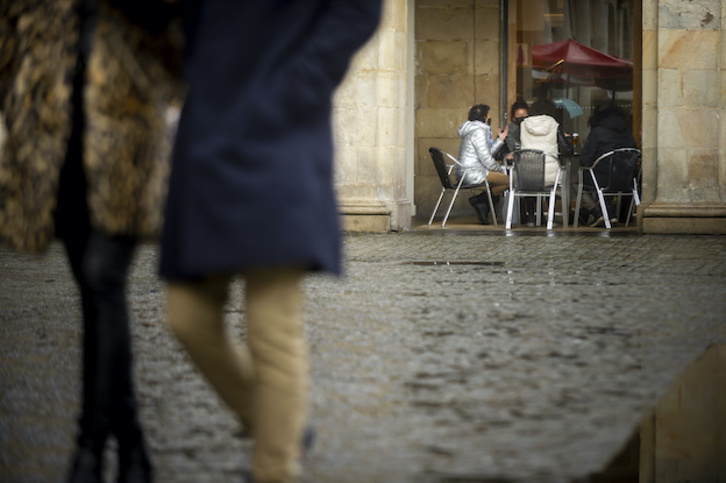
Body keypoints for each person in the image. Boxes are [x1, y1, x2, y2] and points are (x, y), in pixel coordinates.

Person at [158, 2, 382, 482]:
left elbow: (360, 10)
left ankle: (274, 467)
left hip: (278, 136)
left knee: (271, 326)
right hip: (206, 135)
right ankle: (278, 425)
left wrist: (295, 85)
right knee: (186, 316)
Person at [0, 1, 181, 482]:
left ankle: (88, 447)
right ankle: (134, 444)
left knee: (103, 278)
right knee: (97, 296)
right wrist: (23, 101)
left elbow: (180, 47)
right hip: (55, 153)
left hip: (125, 149)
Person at [578, 101, 638, 226]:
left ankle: (598, 212)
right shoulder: (627, 132)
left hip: (602, 179)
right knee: (600, 180)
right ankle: (607, 214)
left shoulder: (598, 132)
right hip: (626, 180)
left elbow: (585, 160)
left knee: (575, 181)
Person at [518, 98, 573, 225]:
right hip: (550, 176)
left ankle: (531, 218)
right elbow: (567, 150)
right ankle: (551, 218)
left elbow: (517, 143)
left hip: (527, 174)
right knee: (550, 183)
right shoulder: (554, 125)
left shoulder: (523, 124)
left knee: (532, 178)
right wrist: (567, 138)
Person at [455, 104, 510, 225]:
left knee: (505, 182)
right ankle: (479, 200)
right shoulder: (480, 130)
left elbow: (486, 153)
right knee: (513, 181)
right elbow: (486, 158)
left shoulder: (472, 129)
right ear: (484, 117)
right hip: (473, 172)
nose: (490, 118)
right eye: (489, 115)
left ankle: (482, 205)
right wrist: (500, 169)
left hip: (467, 171)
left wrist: (500, 141)